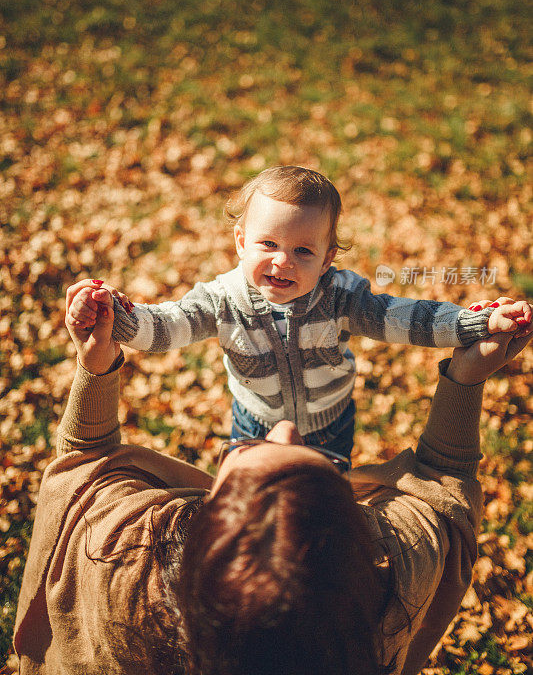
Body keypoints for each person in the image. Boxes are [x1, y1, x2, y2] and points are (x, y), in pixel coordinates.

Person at [14, 286, 532, 675]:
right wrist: (467, 375)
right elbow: (442, 485)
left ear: (203, 520)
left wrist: (96, 366)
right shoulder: (387, 584)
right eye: (312, 458)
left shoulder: (119, 572)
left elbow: (85, 461)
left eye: (251, 450)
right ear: (357, 528)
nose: (286, 426)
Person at [69, 166, 531, 462]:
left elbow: (406, 317)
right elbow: (169, 326)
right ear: (240, 242)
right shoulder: (222, 299)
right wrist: (120, 319)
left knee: (321, 511)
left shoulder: (341, 296)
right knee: (253, 510)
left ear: (328, 258)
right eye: (267, 244)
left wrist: (475, 323)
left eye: (302, 251)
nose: (282, 261)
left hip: (329, 424)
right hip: (253, 422)